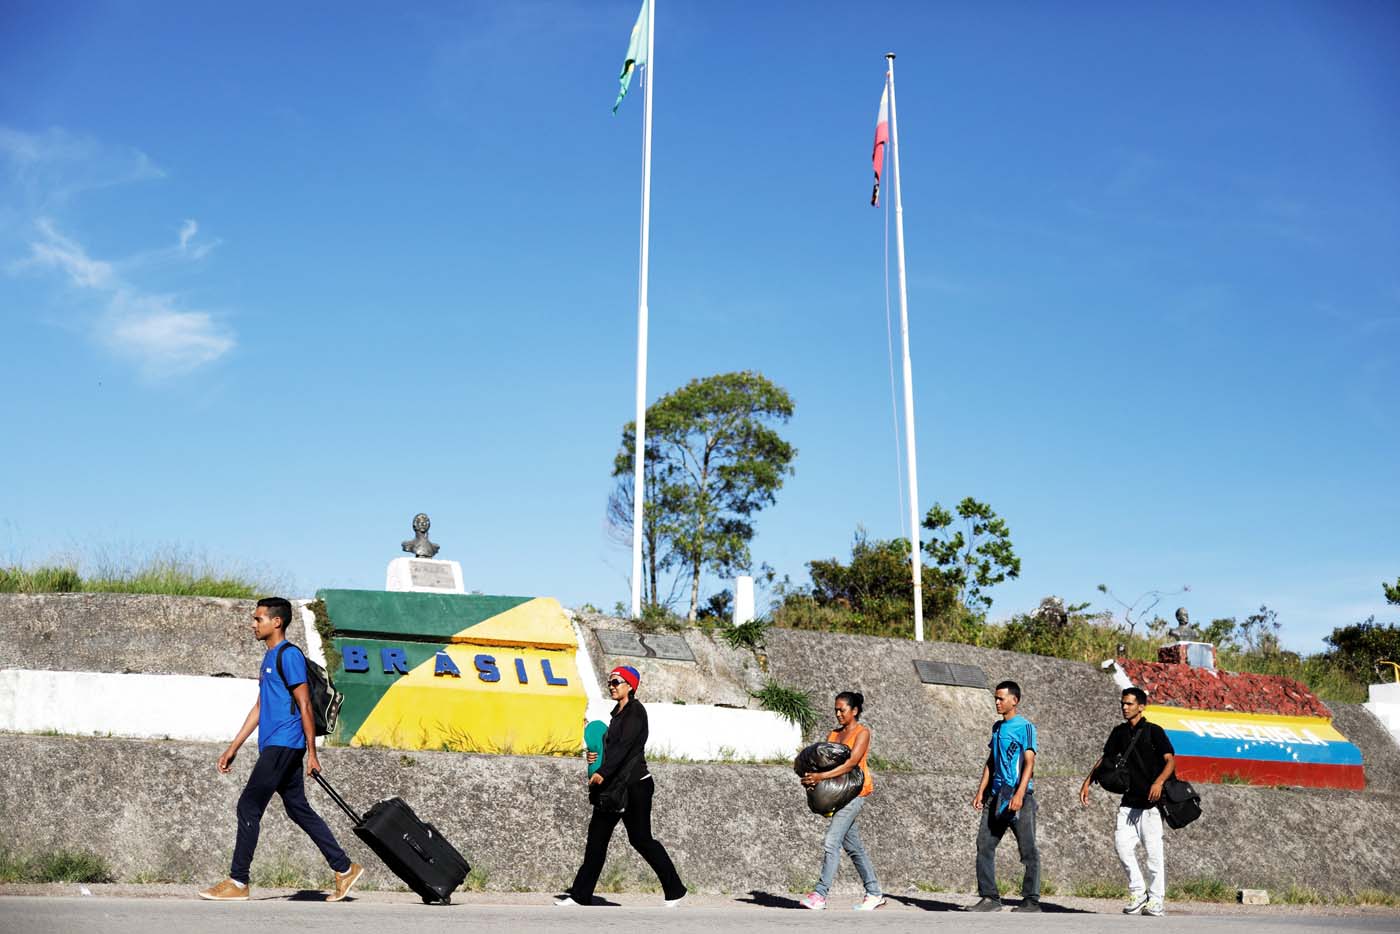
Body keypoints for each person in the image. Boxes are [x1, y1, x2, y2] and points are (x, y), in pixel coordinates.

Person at [198, 597, 362, 902]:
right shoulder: (269, 657)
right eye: (254, 618)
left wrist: (312, 754)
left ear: (277, 622)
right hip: (275, 745)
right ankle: (344, 868)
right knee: (298, 808)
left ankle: (238, 881)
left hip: (285, 744)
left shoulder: (288, 656)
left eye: (258, 619)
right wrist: (233, 747)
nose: (253, 624)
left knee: (249, 805)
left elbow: (304, 705)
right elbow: (260, 706)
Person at [555, 665, 686, 907]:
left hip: (635, 786)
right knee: (596, 840)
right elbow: (609, 747)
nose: (612, 686)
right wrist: (594, 757)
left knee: (641, 839)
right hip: (614, 786)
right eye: (610, 682)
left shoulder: (636, 712)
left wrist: (602, 772)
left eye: (616, 682)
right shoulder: (617, 712)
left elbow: (624, 748)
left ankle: (675, 889)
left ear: (630, 685)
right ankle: (580, 895)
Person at [1080, 686, 1176, 917]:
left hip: (1151, 805)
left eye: (1129, 704)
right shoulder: (1119, 732)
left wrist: (1159, 782)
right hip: (1128, 802)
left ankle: (1156, 900)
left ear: (1141, 706)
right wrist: (1087, 781)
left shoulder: (1155, 732)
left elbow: (1170, 760)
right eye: (1123, 703)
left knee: (1153, 855)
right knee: (1122, 846)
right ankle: (1138, 892)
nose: (1124, 707)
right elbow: (1105, 759)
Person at [799, 691, 885, 911]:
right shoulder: (834, 735)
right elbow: (826, 766)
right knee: (854, 847)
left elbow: (850, 764)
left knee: (831, 841)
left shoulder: (862, 732)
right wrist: (812, 781)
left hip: (856, 793)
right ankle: (874, 892)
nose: (838, 714)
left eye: (842, 710)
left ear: (854, 711)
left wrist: (820, 777)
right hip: (838, 794)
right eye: (836, 709)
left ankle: (820, 894)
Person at [969, 680, 1041, 913]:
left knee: (1027, 849)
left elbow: (1029, 762)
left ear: (1015, 701)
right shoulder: (997, 728)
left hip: (1019, 796)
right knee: (984, 845)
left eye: (1001, 698)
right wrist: (981, 790)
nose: (997, 702)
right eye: (996, 698)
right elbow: (991, 761)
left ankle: (1031, 900)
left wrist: (1020, 794)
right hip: (996, 795)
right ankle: (990, 898)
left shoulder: (1026, 727)